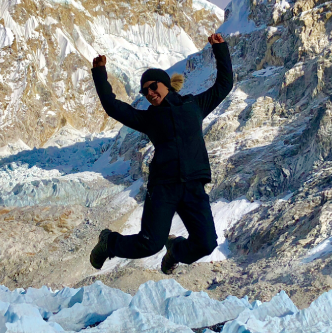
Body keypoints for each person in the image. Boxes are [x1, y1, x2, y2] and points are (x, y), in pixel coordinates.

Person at [89, 33, 233, 275]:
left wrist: (220, 49)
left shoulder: (194, 106)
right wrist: (100, 74)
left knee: (206, 244)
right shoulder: (148, 118)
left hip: (194, 186)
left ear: (165, 84)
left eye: (153, 87)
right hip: (164, 187)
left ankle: (175, 250)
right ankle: (109, 242)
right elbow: (112, 107)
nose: (150, 93)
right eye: (145, 92)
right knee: (150, 243)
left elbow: (224, 84)